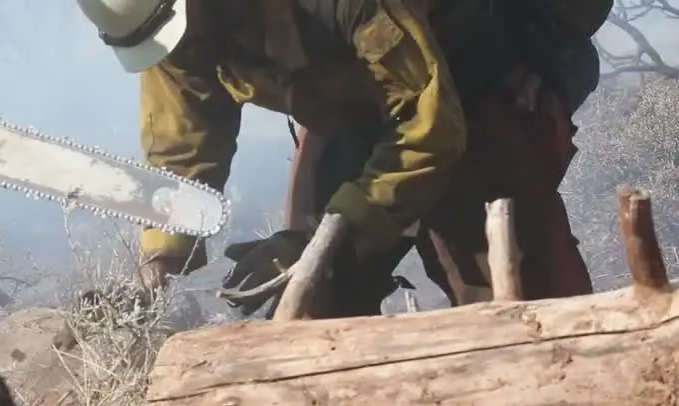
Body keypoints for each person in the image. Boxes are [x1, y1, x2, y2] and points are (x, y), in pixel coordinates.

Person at [76, 0, 611, 317]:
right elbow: (182, 144)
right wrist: (160, 262)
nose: (183, 54)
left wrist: (330, 235)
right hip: (352, 108)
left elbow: (428, 129)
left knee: (518, 298)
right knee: (307, 295)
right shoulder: (165, 26)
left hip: (470, 81)